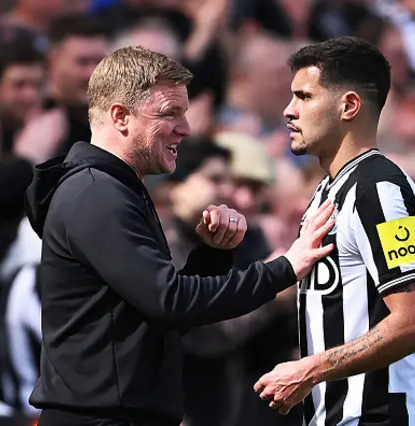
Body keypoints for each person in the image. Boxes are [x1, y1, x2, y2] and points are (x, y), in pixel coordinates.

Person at [22, 46, 336, 426]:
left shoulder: (117, 189)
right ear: (120, 116)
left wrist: (211, 255)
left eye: (184, 114)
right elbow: (170, 302)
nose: (185, 129)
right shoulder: (97, 194)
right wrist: (284, 268)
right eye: (169, 113)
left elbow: (164, 315)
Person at [253, 36, 415, 425]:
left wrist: (309, 369)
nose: (288, 111)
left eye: (303, 97)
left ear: (349, 105)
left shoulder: (380, 190)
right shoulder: (329, 190)